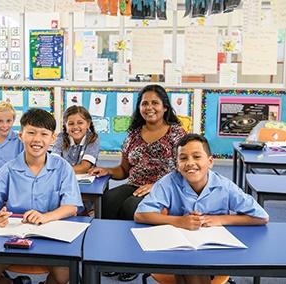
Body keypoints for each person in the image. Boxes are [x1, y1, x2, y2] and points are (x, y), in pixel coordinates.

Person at [135, 133, 269, 284]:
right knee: (187, 267)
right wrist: (179, 221)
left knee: (191, 271)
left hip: (214, 251)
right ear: (177, 165)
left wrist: (219, 219)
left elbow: (262, 217)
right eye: (183, 158)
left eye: (197, 156)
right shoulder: (168, 182)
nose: (190, 163)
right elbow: (140, 214)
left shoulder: (224, 186)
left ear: (210, 161)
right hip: (178, 249)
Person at [89, 84, 186, 282]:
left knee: (131, 208)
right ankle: (112, 256)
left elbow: (184, 170)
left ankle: (133, 260)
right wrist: (107, 170)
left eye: (155, 103)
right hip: (135, 184)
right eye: (145, 103)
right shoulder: (133, 134)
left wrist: (157, 185)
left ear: (165, 107)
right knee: (106, 202)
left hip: (165, 188)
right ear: (139, 108)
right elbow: (123, 169)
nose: (149, 107)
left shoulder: (177, 133)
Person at [0, 108, 84, 284]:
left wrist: (45, 217)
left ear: (52, 138)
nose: (37, 139)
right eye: (31, 133)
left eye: (44, 134)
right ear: (21, 135)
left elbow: (71, 206)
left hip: (51, 234)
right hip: (13, 236)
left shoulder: (62, 167)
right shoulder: (10, 168)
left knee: (64, 274)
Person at [51, 105, 100, 174]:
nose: (75, 127)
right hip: (63, 179)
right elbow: (54, 162)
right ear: (65, 125)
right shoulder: (61, 137)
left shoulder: (92, 138)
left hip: (85, 180)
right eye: (71, 124)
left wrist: (60, 169)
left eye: (80, 123)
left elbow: (84, 167)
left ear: (88, 124)